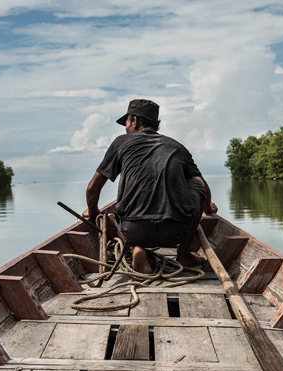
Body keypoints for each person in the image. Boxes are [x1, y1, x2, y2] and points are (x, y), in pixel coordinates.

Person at [83, 99, 217, 274]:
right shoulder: (177, 146)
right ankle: (183, 253)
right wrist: (207, 207)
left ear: (135, 121)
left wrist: (93, 213)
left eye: (127, 123)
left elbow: (93, 188)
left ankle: (134, 248)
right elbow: (203, 187)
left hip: (134, 231)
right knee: (196, 182)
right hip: (176, 231)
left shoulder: (121, 142)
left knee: (113, 218)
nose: (126, 128)